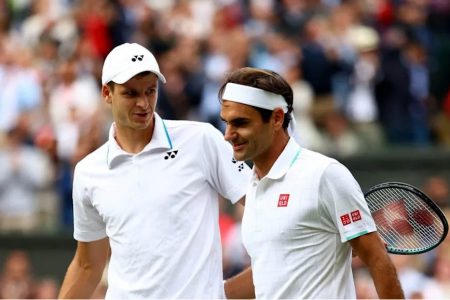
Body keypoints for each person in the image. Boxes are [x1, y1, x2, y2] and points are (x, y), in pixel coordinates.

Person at [58, 43, 251, 299]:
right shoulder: (88, 171)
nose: (144, 103)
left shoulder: (201, 139)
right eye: (130, 93)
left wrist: (228, 292)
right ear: (107, 93)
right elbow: (87, 266)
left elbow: (264, 206)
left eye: (151, 91)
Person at [219, 67, 404, 299]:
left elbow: (378, 260)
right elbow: (270, 273)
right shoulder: (254, 184)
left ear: (276, 118)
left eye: (240, 123)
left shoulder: (325, 174)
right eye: (226, 123)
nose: (228, 134)